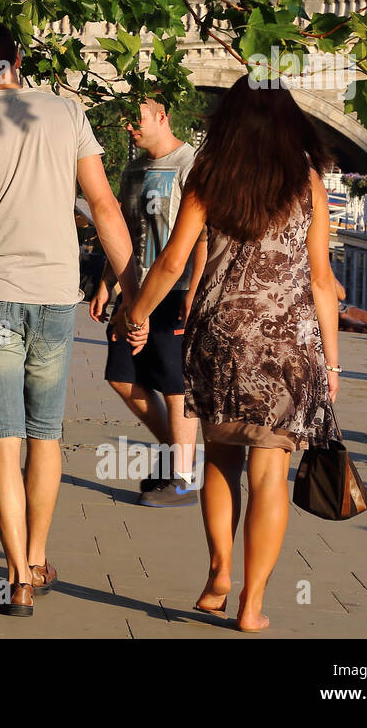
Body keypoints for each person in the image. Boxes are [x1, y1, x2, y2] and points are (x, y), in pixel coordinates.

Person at [0, 20, 141, 618]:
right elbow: (102, 205)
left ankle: (16, 574)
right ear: (18, 59)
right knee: (46, 434)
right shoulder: (68, 114)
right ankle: (39, 555)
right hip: (54, 296)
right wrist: (132, 292)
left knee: (2, 436)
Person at [124, 76, 340, 634]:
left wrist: (139, 313)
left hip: (219, 334)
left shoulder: (211, 175)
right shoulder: (307, 181)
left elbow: (172, 261)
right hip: (288, 344)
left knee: (221, 457)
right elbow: (321, 280)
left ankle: (218, 573)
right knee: (270, 472)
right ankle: (252, 602)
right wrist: (332, 364)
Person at [88, 96, 207, 506]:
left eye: (136, 120)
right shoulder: (135, 168)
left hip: (175, 289)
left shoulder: (190, 164)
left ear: (162, 117)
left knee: (175, 385)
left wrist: (194, 290)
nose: (130, 129)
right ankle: (179, 453)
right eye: (126, 122)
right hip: (135, 289)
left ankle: (184, 478)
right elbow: (122, 230)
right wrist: (107, 281)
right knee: (122, 376)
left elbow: (205, 235)